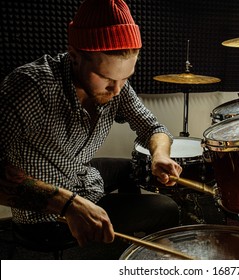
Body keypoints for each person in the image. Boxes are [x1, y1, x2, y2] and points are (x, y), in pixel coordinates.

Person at [0, 0, 182, 249]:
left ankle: (111, 244)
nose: (117, 90)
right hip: (46, 215)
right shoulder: (31, 87)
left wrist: (159, 155)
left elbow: (153, 128)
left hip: (80, 175)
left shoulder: (117, 86)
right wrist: (68, 203)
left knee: (136, 168)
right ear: (75, 56)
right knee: (166, 208)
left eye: (125, 78)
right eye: (106, 78)